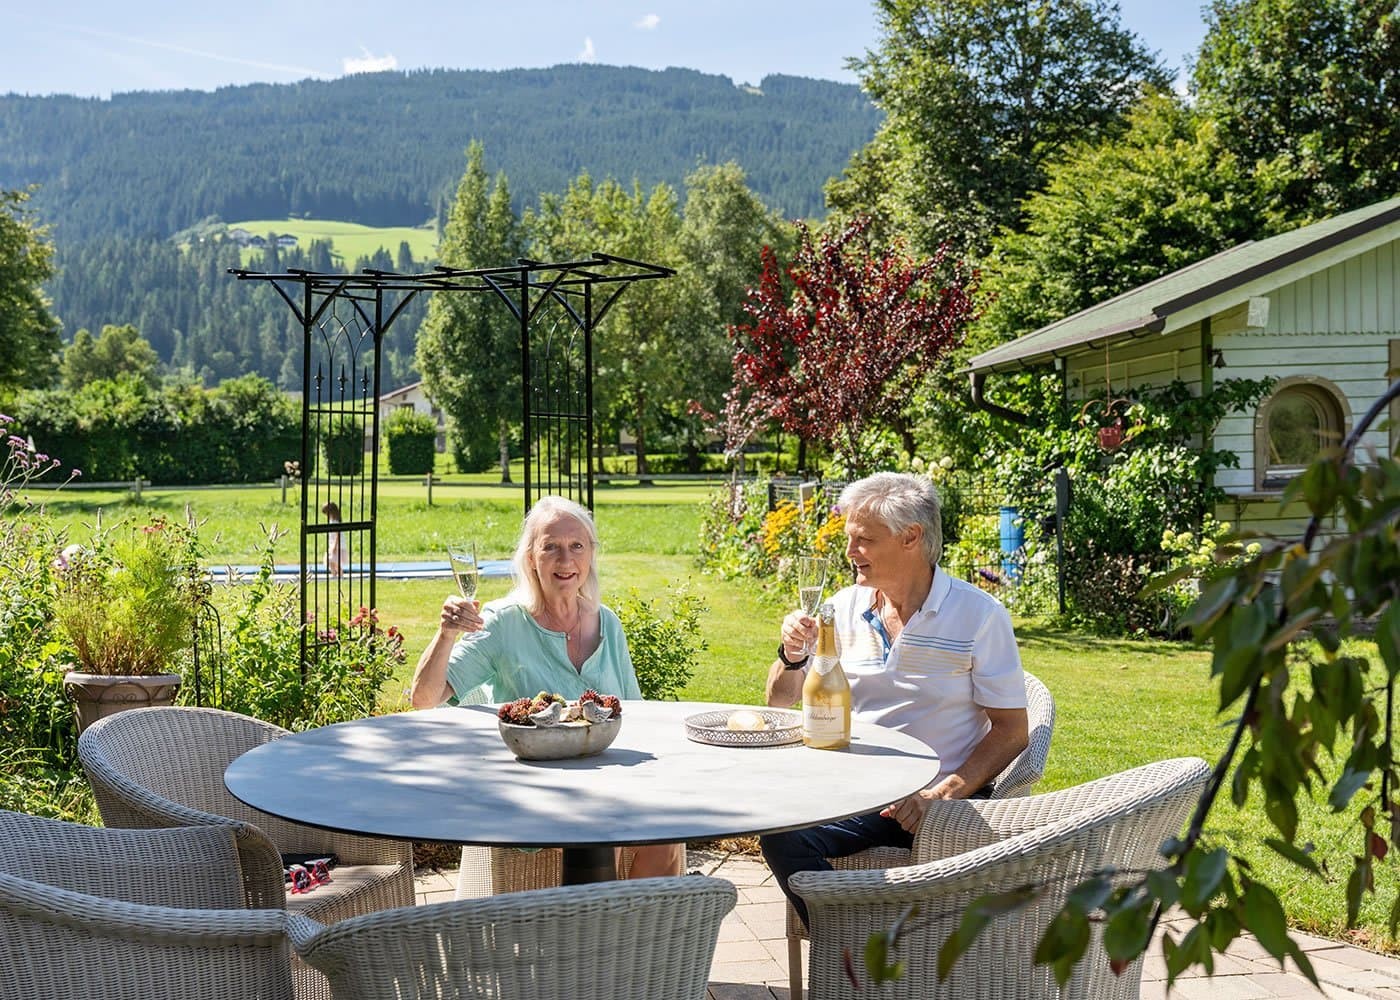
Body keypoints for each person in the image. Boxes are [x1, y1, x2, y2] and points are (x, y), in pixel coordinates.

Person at [760, 472, 1029, 928]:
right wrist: (791, 655)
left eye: (864, 540)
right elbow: (779, 701)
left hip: (940, 798)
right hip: (857, 793)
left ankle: (853, 953)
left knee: (788, 835)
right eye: (850, 538)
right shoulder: (842, 608)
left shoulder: (978, 615)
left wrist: (939, 794)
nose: (850, 552)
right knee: (780, 831)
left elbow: (1012, 731)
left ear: (910, 537)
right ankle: (856, 950)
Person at [410, 495, 685, 879]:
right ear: (530, 559)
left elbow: (637, 715)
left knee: (669, 828)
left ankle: (641, 919)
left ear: (591, 554)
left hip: (610, 782)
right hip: (539, 792)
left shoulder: (607, 622)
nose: (566, 560)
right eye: (551, 547)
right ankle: (601, 916)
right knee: (606, 826)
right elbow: (423, 698)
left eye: (577, 546)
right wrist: (446, 633)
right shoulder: (503, 623)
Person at [322, 501, 348, 578]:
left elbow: (338, 535)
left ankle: (340, 575)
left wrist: (334, 546)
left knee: (334, 562)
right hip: (333, 545)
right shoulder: (332, 521)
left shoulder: (335, 522)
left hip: (337, 545)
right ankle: (334, 575)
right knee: (331, 561)